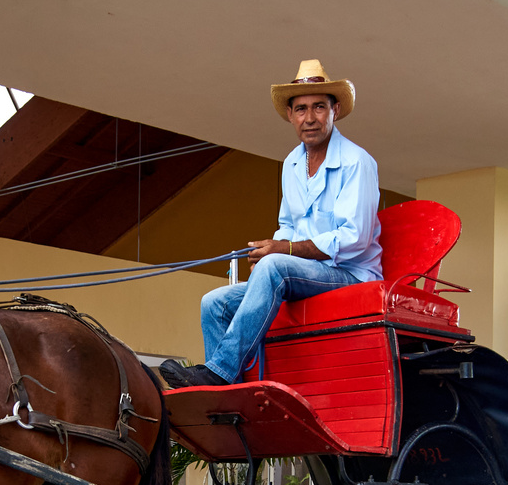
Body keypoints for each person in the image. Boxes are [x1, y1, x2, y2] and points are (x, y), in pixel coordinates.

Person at [161, 59, 382, 388]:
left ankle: (218, 373)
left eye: (319, 107)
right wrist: (270, 252)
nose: (310, 118)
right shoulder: (292, 163)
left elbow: (354, 238)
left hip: (350, 275)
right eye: (301, 109)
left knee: (275, 266)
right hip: (302, 274)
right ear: (291, 116)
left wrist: (283, 253)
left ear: (335, 110)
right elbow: (287, 227)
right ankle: (226, 396)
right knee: (214, 302)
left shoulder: (357, 162)